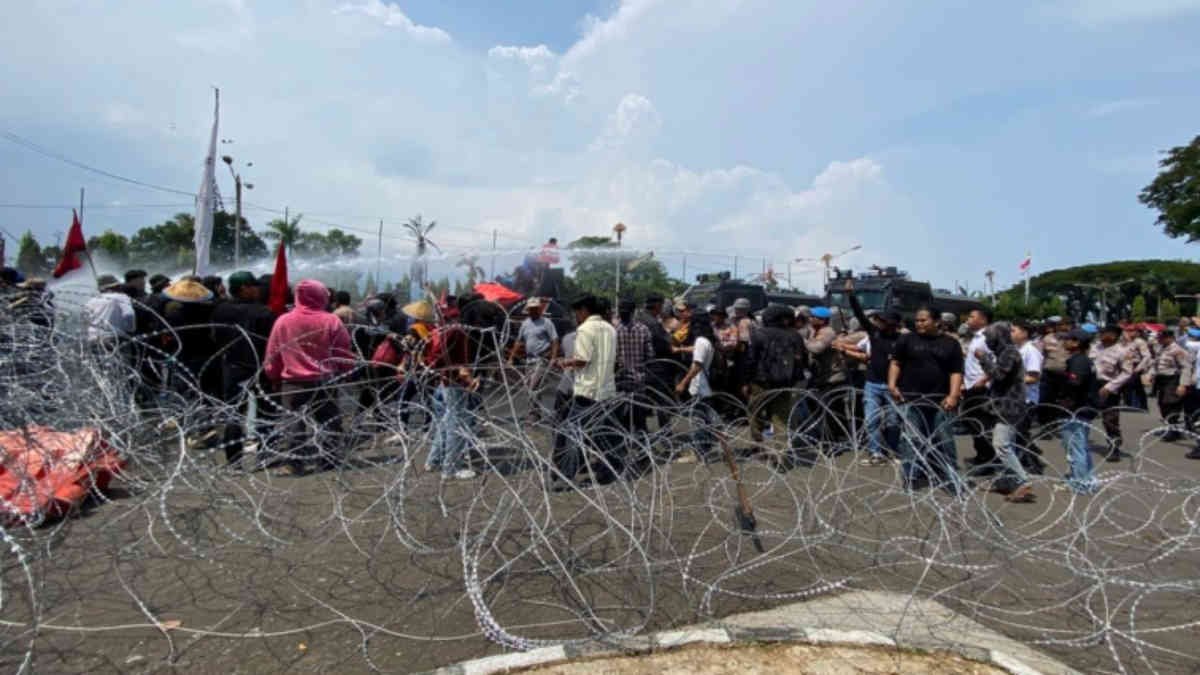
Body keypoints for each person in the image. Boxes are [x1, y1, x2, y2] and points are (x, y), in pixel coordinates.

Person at [263, 279, 354, 476]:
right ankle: (329, 460)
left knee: (294, 423)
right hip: (325, 380)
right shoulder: (331, 321)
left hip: (293, 382)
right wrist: (346, 370)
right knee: (329, 420)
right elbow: (343, 351)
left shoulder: (284, 321)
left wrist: (273, 375)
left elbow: (273, 353)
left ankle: (294, 464)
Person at [887, 307, 966, 495]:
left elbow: (956, 372)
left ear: (937, 321)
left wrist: (953, 395)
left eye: (923, 320)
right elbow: (896, 363)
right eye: (917, 320)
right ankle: (910, 477)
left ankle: (951, 479)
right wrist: (892, 384)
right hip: (911, 398)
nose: (919, 324)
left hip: (940, 400)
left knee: (945, 441)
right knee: (911, 440)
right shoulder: (907, 340)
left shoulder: (950, 344)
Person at [210, 271, 277, 468]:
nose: (258, 290)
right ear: (244, 288)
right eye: (254, 286)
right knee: (266, 411)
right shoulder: (263, 312)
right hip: (259, 367)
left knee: (234, 412)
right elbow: (272, 342)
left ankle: (233, 459)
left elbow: (214, 337)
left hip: (232, 366)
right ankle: (266, 454)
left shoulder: (221, 310)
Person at [553, 294, 619, 485]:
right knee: (603, 434)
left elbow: (582, 359)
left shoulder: (585, 329)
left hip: (587, 391)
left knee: (572, 433)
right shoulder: (610, 328)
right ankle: (610, 471)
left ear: (584, 310)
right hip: (606, 389)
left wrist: (564, 362)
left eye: (577, 312)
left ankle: (565, 476)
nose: (576, 316)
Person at [843, 278, 901, 465]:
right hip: (873, 384)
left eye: (882, 321)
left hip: (893, 385)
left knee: (893, 421)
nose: (878, 322)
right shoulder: (875, 334)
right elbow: (860, 315)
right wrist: (851, 295)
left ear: (892, 324)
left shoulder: (902, 340)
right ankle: (876, 452)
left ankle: (893, 451)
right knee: (871, 420)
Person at [745, 303, 809, 467]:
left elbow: (751, 360)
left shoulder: (759, 334)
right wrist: (794, 379)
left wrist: (746, 381)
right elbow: (802, 360)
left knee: (756, 415)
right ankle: (781, 455)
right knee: (780, 419)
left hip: (760, 383)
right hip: (785, 384)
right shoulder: (795, 336)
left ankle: (758, 449)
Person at [976, 322, 1034, 502]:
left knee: (1002, 445)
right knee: (1006, 444)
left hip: (1010, 406)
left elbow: (999, 375)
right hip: (1003, 405)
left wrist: (983, 359)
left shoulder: (1009, 352)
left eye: (989, 338)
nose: (987, 342)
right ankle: (1006, 481)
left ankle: (1023, 482)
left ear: (998, 337)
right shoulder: (1004, 352)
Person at [423, 304, 481, 480]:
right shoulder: (456, 330)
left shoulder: (443, 330)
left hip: (446, 380)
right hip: (454, 382)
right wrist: (465, 376)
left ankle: (433, 460)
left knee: (447, 421)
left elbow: (438, 357)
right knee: (456, 424)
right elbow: (447, 359)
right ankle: (451, 468)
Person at [1055, 329, 1100, 493]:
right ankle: (1086, 479)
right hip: (1081, 408)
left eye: (1068, 339)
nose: (1064, 342)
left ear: (1077, 343)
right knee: (1080, 447)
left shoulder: (1079, 361)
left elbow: (1075, 383)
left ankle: (1080, 483)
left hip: (1076, 409)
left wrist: (1060, 381)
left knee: (1075, 448)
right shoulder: (1082, 360)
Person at [676, 312, 721, 462]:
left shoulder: (701, 340)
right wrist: (680, 349)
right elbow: (695, 350)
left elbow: (697, 365)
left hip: (701, 387)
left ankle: (698, 453)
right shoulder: (707, 340)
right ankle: (704, 449)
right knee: (704, 420)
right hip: (706, 388)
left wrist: (683, 382)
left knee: (699, 421)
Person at [508, 297, 560, 420]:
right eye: (531, 309)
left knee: (533, 386)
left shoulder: (546, 322)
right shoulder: (525, 324)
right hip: (529, 360)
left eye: (535, 308)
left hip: (542, 359)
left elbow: (555, 340)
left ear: (540, 309)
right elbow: (518, 341)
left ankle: (533, 414)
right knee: (530, 387)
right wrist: (511, 357)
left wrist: (553, 357)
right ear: (528, 310)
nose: (533, 311)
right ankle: (536, 412)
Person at [960, 307, 997, 476]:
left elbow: (996, 362)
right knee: (972, 423)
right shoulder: (976, 337)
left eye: (971, 316)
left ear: (983, 320)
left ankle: (988, 461)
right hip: (971, 386)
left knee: (981, 425)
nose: (968, 319)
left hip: (981, 388)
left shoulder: (988, 338)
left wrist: (984, 380)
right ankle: (981, 456)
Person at [1091, 324, 1133, 462]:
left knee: (1110, 419)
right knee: (1084, 413)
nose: (1101, 335)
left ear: (1114, 335)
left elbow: (1127, 373)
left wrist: (1110, 387)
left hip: (1109, 386)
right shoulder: (1095, 347)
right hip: (1092, 384)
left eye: (1104, 333)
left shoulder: (1122, 352)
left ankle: (1114, 446)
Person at [614, 298, 654, 438]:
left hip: (621, 379)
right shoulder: (643, 329)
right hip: (639, 379)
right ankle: (642, 443)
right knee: (639, 415)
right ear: (633, 312)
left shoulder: (615, 330)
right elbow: (650, 355)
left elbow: (613, 358)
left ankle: (626, 443)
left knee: (623, 415)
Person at [1011, 320, 1045, 475]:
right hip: (1015, 398)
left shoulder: (1031, 351)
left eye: (1013, 330)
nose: (1010, 334)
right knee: (1018, 433)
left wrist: (1010, 380)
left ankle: (1033, 463)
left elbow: (1033, 376)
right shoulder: (1017, 349)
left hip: (1026, 399)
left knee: (1021, 432)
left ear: (1024, 333)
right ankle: (1026, 459)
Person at [1152, 329, 1192, 442]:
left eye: (1161, 338)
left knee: (1171, 404)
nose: (1159, 340)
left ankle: (1173, 431)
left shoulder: (1177, 350)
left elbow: (1186, 367)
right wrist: (1152, 375)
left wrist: (1183, 385)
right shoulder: (1161, 349)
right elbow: (1157, 364)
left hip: (1173, 380)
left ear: (1169, 338)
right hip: (1162, 380)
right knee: (1162, 404)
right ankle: (1170, 427)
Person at [82, 274, 135, 346]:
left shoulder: (90, 302)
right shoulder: (121, 297)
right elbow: (129, 314)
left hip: (93, 340)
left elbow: (85, 321)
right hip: (114, 338)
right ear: (116, 287)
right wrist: (130, 329)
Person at [1120, 323, 1152, 411]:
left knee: (1133, 385)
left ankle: (1141, 405)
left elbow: (1147, 356)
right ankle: (1130, 403)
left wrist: (1139, 368)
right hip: (1125, 365)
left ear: (1137, 332)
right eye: (1128, 331)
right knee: (1129, 385)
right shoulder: (1124, 341)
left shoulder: (1139, 342)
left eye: (1132, 331)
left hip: (1135, 365)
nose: (1129, 333)